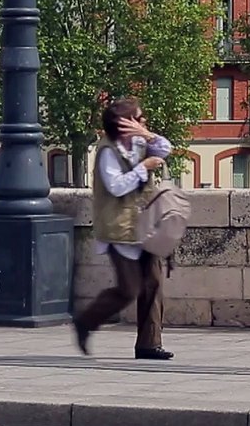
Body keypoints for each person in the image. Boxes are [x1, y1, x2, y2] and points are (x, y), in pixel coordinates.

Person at [72, 97, 174, 360]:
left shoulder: (140, 143)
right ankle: (86, 322)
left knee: (154, 282)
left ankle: (149, 344)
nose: (144, 123)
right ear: (124, 124)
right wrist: (143, 168)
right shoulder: (108, 152)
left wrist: (147, 135)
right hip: (120, 229)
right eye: (139, 119)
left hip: (146, 225)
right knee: (129, 289)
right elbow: (115, 186)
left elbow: (165, 148)